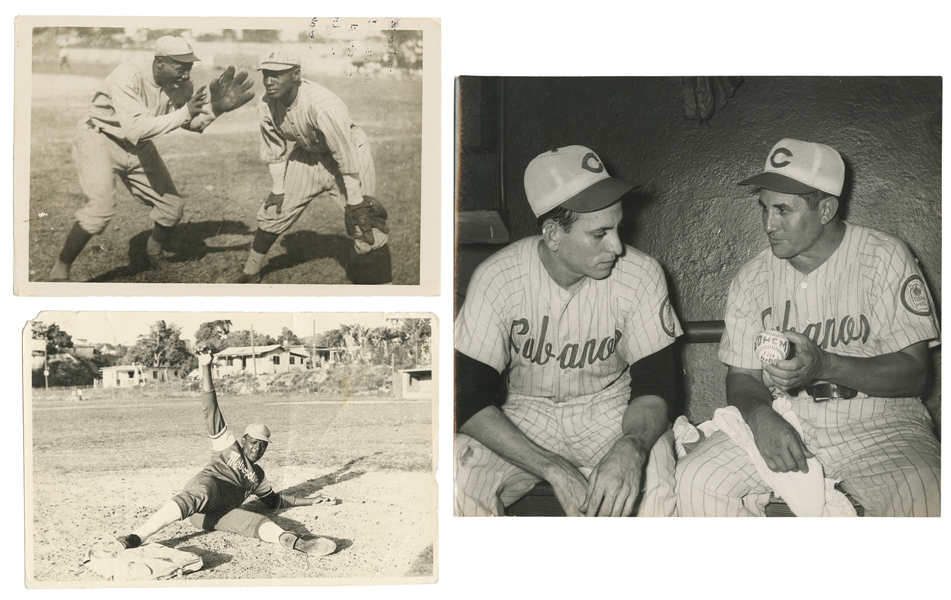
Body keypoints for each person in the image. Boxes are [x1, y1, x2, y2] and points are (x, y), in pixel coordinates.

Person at [676, 138, 941, 517]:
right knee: (696, 479)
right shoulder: (752, 277)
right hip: (789, 416)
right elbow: (743, 377)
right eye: (764, 208)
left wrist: (826, 365)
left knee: (926, 494)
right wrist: (761, 417)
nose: (769, 223)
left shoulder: (884, 256)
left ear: (826, 209)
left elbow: (915, 375)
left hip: (882, 422)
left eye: (783, 209)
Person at [454, 145, 682, 517]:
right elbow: (466, 398)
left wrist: (633, 447)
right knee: (454, 479)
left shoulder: (641, 273)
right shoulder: (498, 277)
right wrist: (553, 467)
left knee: (655, 476)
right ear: (553, 234)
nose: (618, 246)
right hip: (525, 413)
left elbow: (656, 385)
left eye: (618, 227)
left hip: (611, 411)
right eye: (599, 234)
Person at [48, 36, 253, 282]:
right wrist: (187, 111)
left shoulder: (181, 85)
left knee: (171, 207)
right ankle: (60, 268)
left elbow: (192, 123)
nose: (186, 74)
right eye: (180, 66)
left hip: (138, 146)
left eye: (189, 66)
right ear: (159, 63)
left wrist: (216, 109)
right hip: (100, 139)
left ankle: (153, 253)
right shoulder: (128, 75)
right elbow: (137, 128)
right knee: (100, 210)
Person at [115, 350, 339, 556]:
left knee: (253, 520)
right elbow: (210, 409)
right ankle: (137, 536)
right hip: (204, 493)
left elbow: (274, 501)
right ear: (244, 440)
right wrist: (205, 367)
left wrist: (311, 501)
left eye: (262, 445)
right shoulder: (227, 445)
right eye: (253, 442)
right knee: (203, 490)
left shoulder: (258, 476)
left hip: (211, 516)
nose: (257, 448)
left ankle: (294, 541)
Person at [221, 49, 391, 285]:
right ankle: (250, 272)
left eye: (277, 74)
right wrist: (279, 188)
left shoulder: (322, 105)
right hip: (309, 152)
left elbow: (344, 154)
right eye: (266, 74)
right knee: (274, 211)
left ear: (296, 74)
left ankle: (383, 289)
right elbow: (275, 147)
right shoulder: (266, 103)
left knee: (365, 223)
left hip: (350, 154)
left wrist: (354, 202)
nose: (269, 81)